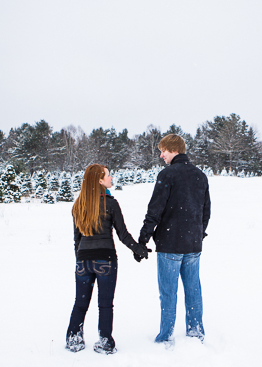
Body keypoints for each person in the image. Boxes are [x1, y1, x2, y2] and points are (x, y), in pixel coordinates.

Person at [65, 164, 149, 354]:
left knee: (80, 302)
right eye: (108, 175)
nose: (111, 178)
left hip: (83, 261)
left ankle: (73, 338)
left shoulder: (79, 204)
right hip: (106, 260)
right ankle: (105, 341)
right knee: (105, 304)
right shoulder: (111, 203)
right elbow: (123, 234)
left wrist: (80, 261)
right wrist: (138, 249)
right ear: (100, 181)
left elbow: (76, 239)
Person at [138, 134, 211, 343]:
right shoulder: (200, 176)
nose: (161, 155)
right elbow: (206, 212)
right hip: (192, 245)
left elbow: (154, 211)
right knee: (193, 290)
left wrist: (143, 238)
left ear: (175, 150)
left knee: (168, 293)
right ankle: (195, 331)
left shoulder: (167, 175)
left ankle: (165, 336)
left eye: (164, 151)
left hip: (170, 245)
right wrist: (199, 233)